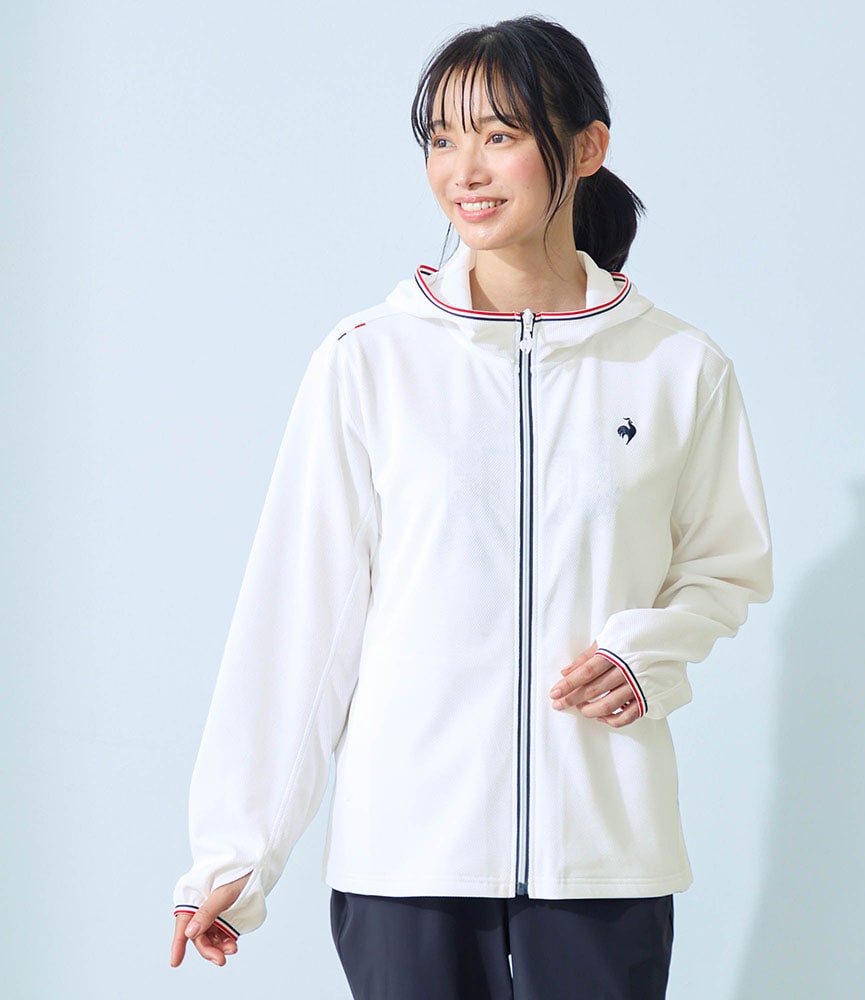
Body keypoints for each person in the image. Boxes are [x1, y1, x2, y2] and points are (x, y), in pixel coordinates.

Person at [169, 15, 772, 999]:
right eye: (442, 139)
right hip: (408, 856)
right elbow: (299, 619)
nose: (465, 170)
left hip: (603, 852)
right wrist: (237, 854)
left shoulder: (676, 366)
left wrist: (647, 655)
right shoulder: (371, 360)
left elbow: (724, 566)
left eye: (499, 134)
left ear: (586, 147)